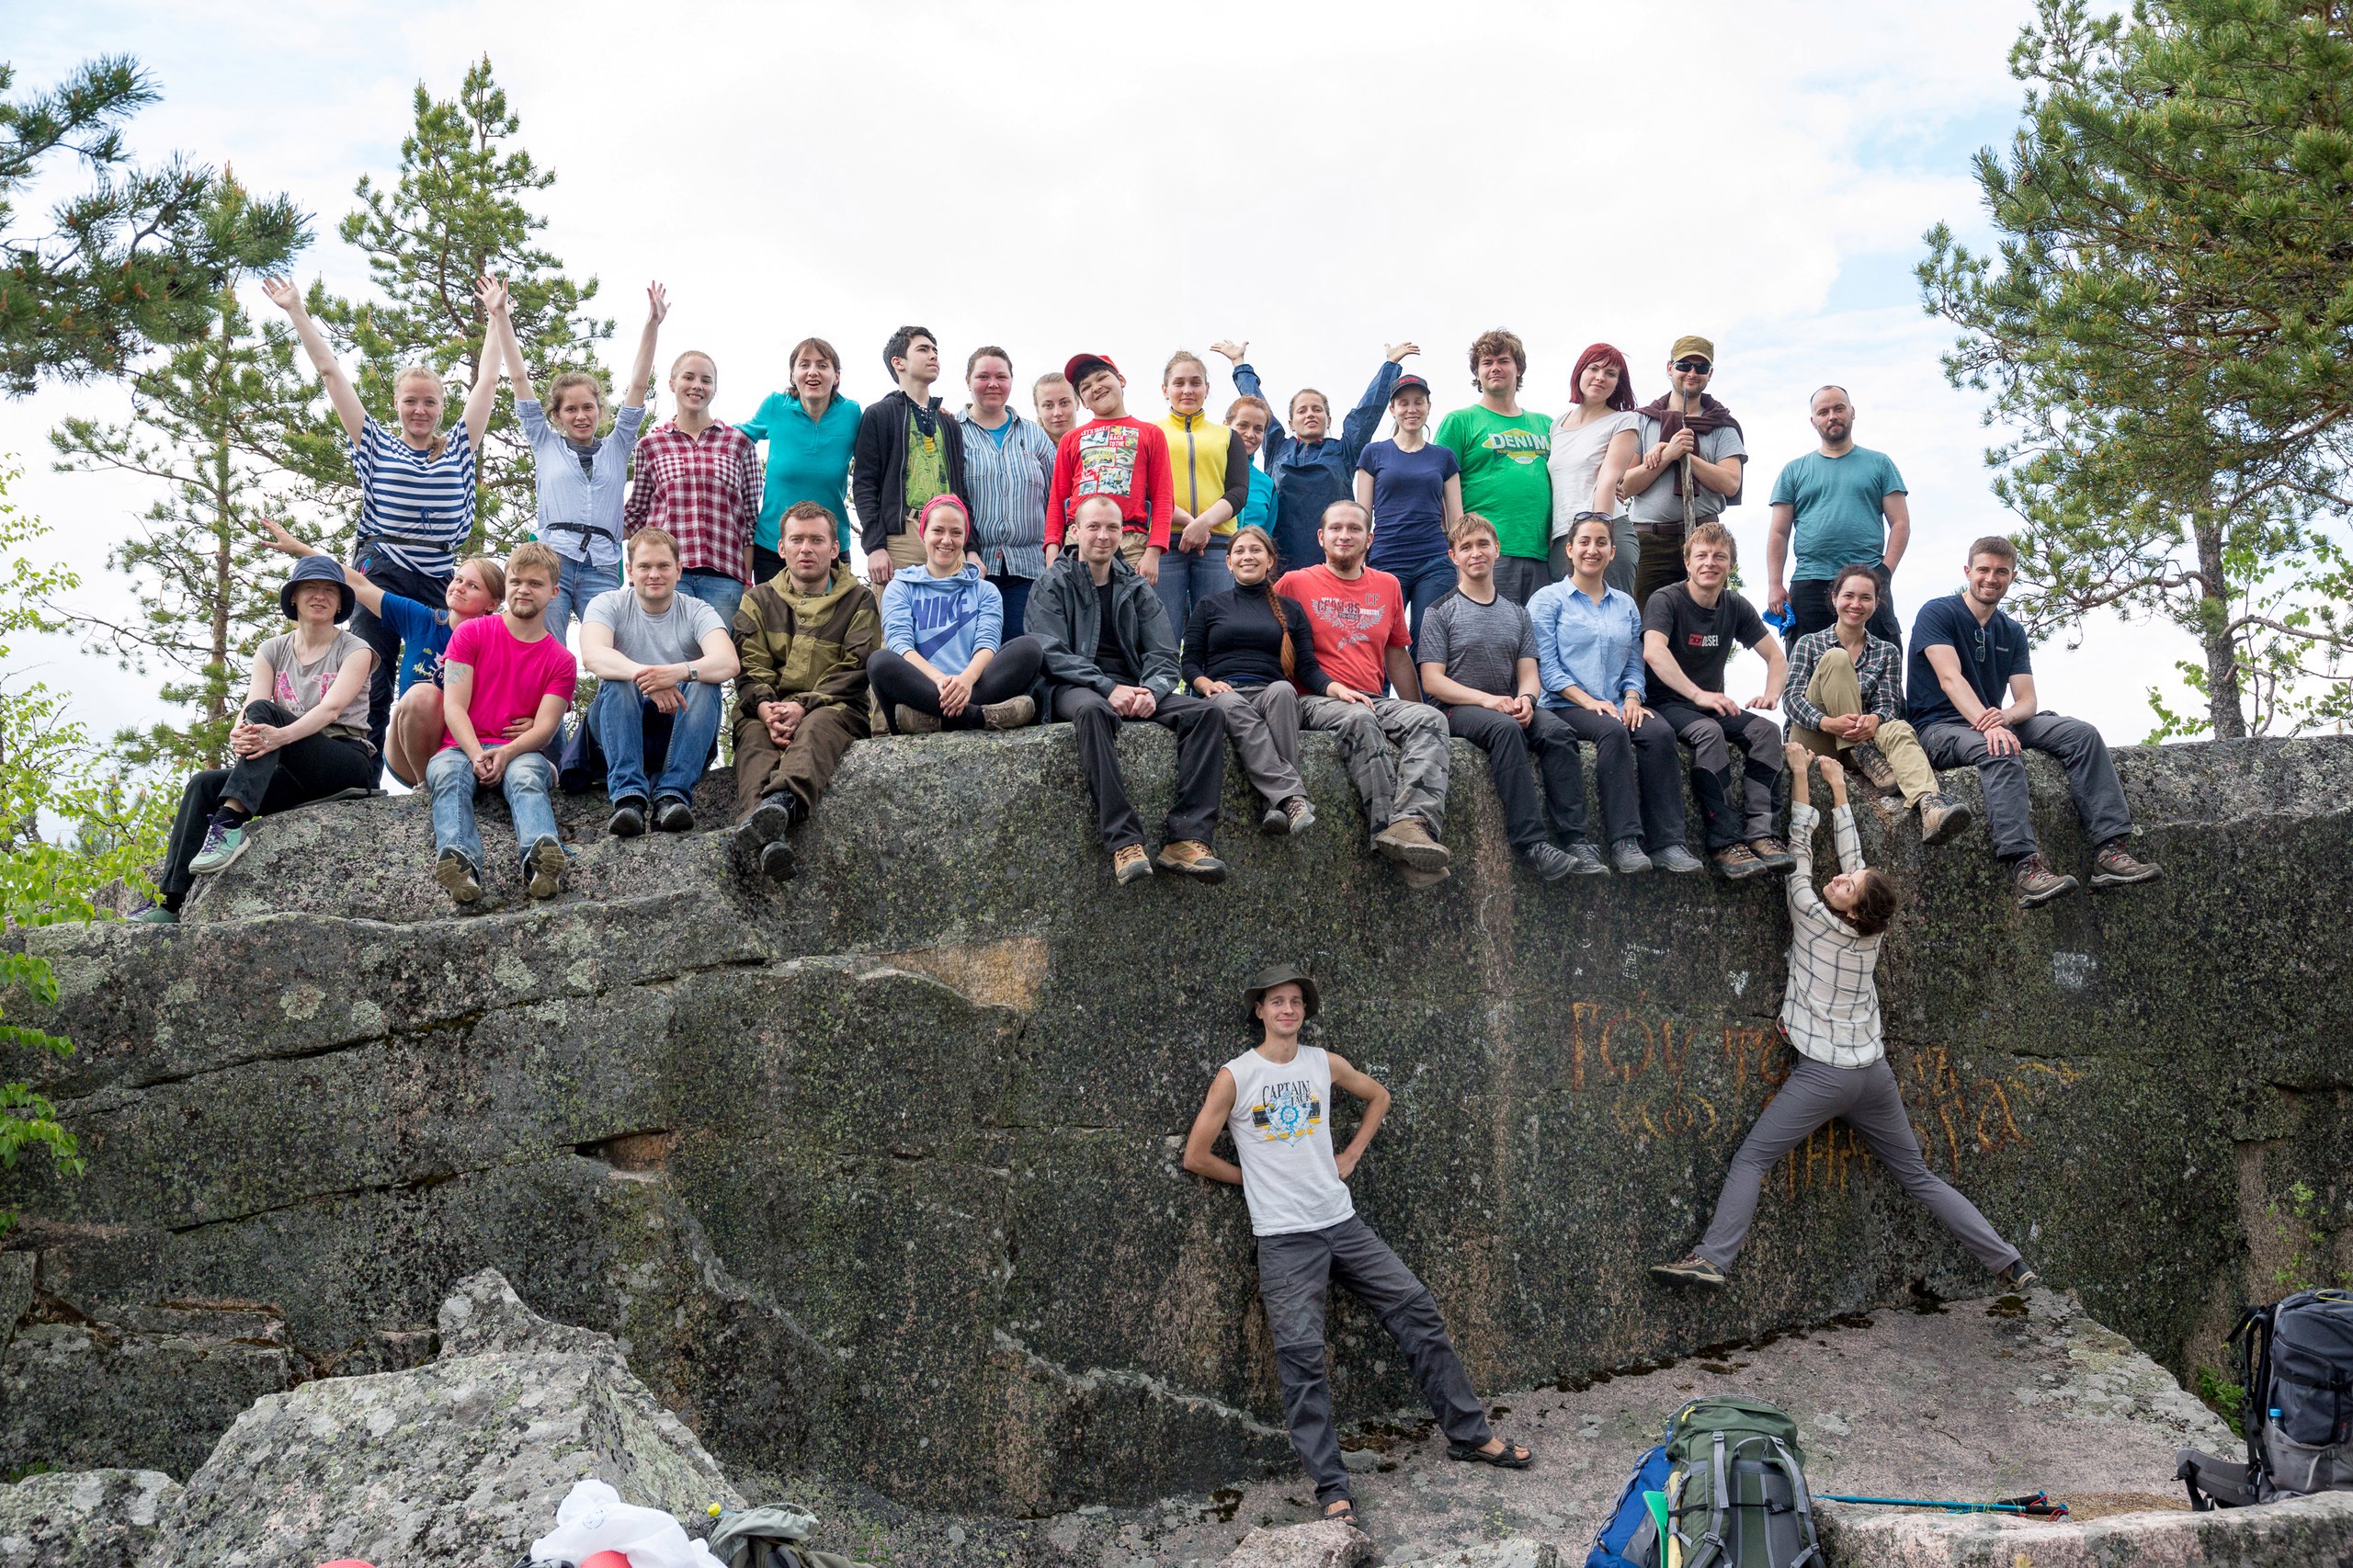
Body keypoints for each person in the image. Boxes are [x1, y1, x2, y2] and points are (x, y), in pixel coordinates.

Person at [1652, 747, 2040, 1295]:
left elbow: (1799, 852)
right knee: (1918, 1177)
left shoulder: (1810, 914)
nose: (1840, 881)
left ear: (1853, 909)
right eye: (1846, 880)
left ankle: (1713, 1258)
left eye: (1848, 887)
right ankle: (2009, 1261)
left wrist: (1803, 776)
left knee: (1752, 1158)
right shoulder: (1872, 932)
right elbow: (1851, 857)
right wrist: (1840, 788)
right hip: (1872, 1075)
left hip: (1824, 1076)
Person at [1181, 965, 1532, 1528]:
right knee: (1301, 1358)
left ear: (1304, 1011)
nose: (1287, 1010)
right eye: (1277, 1002)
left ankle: (1471, 1435)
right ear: (1260, 1011)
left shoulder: (1323, 1063)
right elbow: (1196, 1155)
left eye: (1296, 1002)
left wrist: (1350, 1156)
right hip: (1284, 1239)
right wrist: (1257, 1180)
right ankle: (1332, 1487)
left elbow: (1379, 1096)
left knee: (1415, 1308)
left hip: (1341, 1224)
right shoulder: (1237, 1076)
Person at [261, 271, 502, 773]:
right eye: (410, 401)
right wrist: (297, 312)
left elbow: (487, 381)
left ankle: (441, 767)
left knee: (442, 675)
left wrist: (496, 317)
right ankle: (363, 776)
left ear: (441, 408)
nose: (420, 410)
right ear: (396, 405)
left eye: (429, 401)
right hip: (379, 568)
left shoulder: (459, 447)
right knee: (370, 666)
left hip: (439, 577)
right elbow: (332, 375)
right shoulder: (375, 444)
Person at [1906, 537, 2164, 906]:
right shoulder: (1938, 613)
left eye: (2001, 572)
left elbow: (2027, 700)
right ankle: (2025, 867)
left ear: (2012, 577)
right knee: (1999, 749)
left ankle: (2111, 852)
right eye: (1983, 570)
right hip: (1940, 727)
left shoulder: (2011, 631)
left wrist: (2005, 716)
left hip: (1991, 720)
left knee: (2082, 735)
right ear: (1968, 572)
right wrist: (1989, 725)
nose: (1990, 578)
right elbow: (1950, 680)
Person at [139, 557, 379, 924]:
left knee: (267, 713)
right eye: (310, 588)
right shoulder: (272, 649)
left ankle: (229, 823)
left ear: (341, 602)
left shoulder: (356, 649)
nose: (320, 596)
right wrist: (241, 730)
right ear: (294, 599)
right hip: (290, 771)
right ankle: (170, 903)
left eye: (330, 590)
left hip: (344, 764)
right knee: (202, 784)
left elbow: (331, 709)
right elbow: (253, 704)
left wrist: (278, 735)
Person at [1029, 495, 1229, 884]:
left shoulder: (1136, 586)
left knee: (1208, 713)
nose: (1103, 536)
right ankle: (1124, 841)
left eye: (1112, 528)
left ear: (1123, 533)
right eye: (1093, 527)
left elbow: (1164, 652)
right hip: (1075, 686)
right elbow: (1048, 651)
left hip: (1135, 685)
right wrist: (1107, 688)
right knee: (1093, 712)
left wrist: (1152, 691)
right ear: (1075, 532)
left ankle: (1186, 839)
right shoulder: (1051, 583)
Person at [253, 517, 506, 787]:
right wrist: (301, 549)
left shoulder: (500, 639)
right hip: (415, 750)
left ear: (492, 603)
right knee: (423, 696)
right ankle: (428, 792)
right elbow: (360, 585)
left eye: (473, 586)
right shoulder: (422, 620)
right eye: (458, 579)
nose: (459, 588)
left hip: (473, 748)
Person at [1415, 515, 1601, 881]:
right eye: (1466, 548)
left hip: (1510, 703)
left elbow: (1529, 672)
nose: (1476, 553)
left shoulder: (1517, 612)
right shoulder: (1439, 611)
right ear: (1453, 556)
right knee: (1505, 731)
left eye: (1483, 544)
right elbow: (1432, 681)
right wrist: (1487, 700)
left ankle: (1576, 838)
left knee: (1557, 732)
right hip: (1457, 710)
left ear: (1497, 549)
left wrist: (1528, 699)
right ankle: (1531, 843)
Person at [1279, 500, 1453, 886]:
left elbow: (1396, 654)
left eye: (1355, 529)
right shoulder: (1294, 582)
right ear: (1321, 538)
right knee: (1358, 718)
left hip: (1371, 696)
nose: (1345, 535)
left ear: (1369, 539)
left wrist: (1413, 708)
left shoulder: (1388, 585)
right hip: (1314, 698)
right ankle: (1384, 833)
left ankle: (1410, 826)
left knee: (1431, 719)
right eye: (1336, 528)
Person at [1527, 515, 1703, 874]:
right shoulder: (1547, 600)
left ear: (1612, 552)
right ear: (1570, 549)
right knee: (1611, 731)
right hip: (1564, 703)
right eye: (1585, 542)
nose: (1593, 550)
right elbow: (1545, 667)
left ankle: (1669, 843)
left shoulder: (1625, 604)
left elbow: (1634, 662)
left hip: (1616, 702)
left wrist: (1634, 697)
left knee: (1660, 732)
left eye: (1601, 543)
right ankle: (1624, 841)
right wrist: (1589, 702)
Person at [494, 280, 665, 644]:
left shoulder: (618, 446)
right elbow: (519, 378)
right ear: (557, 415)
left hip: (602, 562)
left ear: (600, 410)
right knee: (545, 645)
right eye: (570, 409)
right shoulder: (544, 443)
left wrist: (652, 325)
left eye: (588, 407)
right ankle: (548, 703)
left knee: (609, 645)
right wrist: (501, 317)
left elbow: (637, 386)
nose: (581, 415)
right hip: (552, 559)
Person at [730, 502, 882, 882]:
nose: (806, 549)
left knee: (815, 729)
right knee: (753, 739)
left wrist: (801, 706)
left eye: (817, 540)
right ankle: (765, 834)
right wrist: (766, 708)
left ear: (834, 549)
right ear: (781, 548)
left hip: (834, 709)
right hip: (766, 710)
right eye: (796, 540)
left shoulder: (859, 600)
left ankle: (781, 803)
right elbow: (749, 666)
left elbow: (856, 666)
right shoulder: (758, 600)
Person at [425, 542, 579, 906]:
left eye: (535, 584)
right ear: (507, 586)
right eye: (516, 582)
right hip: (461, 747)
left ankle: (542, 860)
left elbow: (545, 728)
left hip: (521, 752)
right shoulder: (471, 634)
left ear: (554, 592)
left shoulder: (562, 661)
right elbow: (455, 706)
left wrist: (507, 753)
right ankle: (459, 864)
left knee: (527, 778)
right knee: (448, 776)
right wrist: (477, 754)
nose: (524, 590)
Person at [1640, 522, 1794, 881]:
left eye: (1720, 557)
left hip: (1708, 703)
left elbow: (1777, 657)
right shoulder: (1667, 599)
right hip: (1666, 702)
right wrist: (1698, 694)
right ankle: (1725, 841)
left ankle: (1762, 833)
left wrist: (1772, 694)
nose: (1710, 563)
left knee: (1766, 732)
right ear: (1688, 562)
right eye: (1702, 556)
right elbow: (1653, 652)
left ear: (1731, 566)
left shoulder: (1735, 606)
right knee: (1709, 734)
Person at [1785, 563, 1971, 846]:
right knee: (1836, 658)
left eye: (1865, 598)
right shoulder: (1809, 644)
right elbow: (1792, 699)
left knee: (1897, 727)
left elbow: (1888, 705)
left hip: (1867, 745)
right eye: (1849, 596)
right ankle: (1860, 752)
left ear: (1876, 603)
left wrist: (1876, 719)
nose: (1856, 604)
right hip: (1817, 738)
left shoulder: (1887, 652)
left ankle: (1930, 805)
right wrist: (1827, 722)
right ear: (1834, 598)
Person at [579, 527, 741, 837]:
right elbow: (593, 655)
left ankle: (672, 796)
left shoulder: (697, 610)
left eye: (663, 566)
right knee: (617, 681)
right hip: (618, 728)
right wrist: (650, 677)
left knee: (704, 683)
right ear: (629, 570)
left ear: (678, 570)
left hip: (678, 732)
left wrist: (679, 672)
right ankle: (629, 800)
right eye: (645, 566)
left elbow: (727, 662)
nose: (654, 574)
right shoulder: (608, 603)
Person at [1214, 338, 1408, 574]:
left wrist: (1390, 365)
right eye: (1302, 410)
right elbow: (1258, 405)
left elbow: (1367, 412)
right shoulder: (1278, 447)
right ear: (1290, 423)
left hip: (1332, 555)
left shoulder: (1344, 451)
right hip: (1283, 558)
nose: (1310, 415)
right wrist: (1239, 364)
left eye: (1317, 409)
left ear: (1329, 420)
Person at [1183, 525, 1322, 837]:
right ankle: (1290, 799)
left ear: (1270, 561)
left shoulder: (1291, 609)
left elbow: (1308, 668)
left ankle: (1274, 805)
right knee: (1231, 703)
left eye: (1256, 550)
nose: (1248, 556)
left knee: (1285, 691)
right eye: (1240, 551)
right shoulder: (1209, 605)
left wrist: (1336, 689)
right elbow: (1189, 662)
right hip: (1224, 689)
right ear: (1228, 562)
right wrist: (1205, 684)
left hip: (1268, 692)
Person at [867, 495, 1042, 733]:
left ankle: (936, 720)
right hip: (923, 688)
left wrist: (966, 681)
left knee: (1029, 649)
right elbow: (900, 644)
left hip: (974, 686)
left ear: (964, 538)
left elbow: (987, 643)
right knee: (880, 662)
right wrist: (940, 681)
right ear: (923, 534)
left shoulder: (985, 590)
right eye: (938, 530)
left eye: (956, 533)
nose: (947, 540)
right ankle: (979, 717)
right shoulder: (901, 585)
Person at [622, 347, 760, 626]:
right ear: (673, 384)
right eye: (689, 377)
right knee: (666, 661)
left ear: (714, 389)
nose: (697, 386)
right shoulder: (651, 446)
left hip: (725, 578)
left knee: (716, 665)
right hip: (667, 577)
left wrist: (747, 579)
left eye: (706, 380)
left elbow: (749, 522)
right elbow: (636, 515)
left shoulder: (739, 444)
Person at [1768, 385, 1908, 644]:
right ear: (1813, 421)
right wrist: (1775, 584)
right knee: (1807, 672)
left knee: (1879, 661)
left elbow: (1900, 523)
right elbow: (1778, 533)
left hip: (1868, 579)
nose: (1832, 416)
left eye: (1838, 408)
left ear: (1852, 412)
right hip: (1810, 582)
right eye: (1823, 412)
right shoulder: (1793, 471)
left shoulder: (1880, 464)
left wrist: (1885, 572)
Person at [1618, 335, 1746, 611]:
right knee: (1646, 625)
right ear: (1669, 368)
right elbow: (1625, 486)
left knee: (1702, 624)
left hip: (1706, 539)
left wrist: (1686, 456)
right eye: (1684, 365)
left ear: (1710, 374)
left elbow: (1730, 482)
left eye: (1701, 368)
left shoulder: (1723, 425)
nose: (1692, 373)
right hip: (1650, 540)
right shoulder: (1641, 420)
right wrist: (1666, 455)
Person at [1436, 329, 1552, 605]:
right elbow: (1435, 485)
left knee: (1534, 643)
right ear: (1476, 373)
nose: (1495, 368)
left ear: (1519, 369)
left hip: (1540, 553)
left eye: (1503, 360)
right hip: (1485, 554)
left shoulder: (1546, 424)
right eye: (1486, 363)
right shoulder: (1460, 421)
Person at [852, 325, 970, 587]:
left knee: (955, 623)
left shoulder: (949, 424)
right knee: (897, 623)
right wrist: (875, 546)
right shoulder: (879, 415)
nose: (933, 356)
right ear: (898, 362)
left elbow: (961, 487)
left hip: (949, 535)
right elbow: (864, 484)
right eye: (923, 349)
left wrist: (971, 548)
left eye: (935, 351)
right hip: (901, 535)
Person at [735, 335, 862, 574]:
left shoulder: (851, 413)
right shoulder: (775, 406)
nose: (813, 372)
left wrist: (930, 411)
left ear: (837, 376)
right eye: (804, 365)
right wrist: (688, 426)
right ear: (793, 376)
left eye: (822, 365)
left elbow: (879, 449)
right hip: (774, 546)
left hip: (830, 547)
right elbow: (736, 436)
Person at [1043, 354, 1174, 582]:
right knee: (1077, 612)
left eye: (1102, 378)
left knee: (1128, 613)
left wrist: (1154, 551)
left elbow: (1163, 498)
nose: (1096, 387)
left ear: (1121, 380)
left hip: (1131, 542)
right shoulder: (1071, 439)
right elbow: (1057, 499)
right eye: (1085, 387)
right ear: (1082, 402)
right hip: (1079, 541)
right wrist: (1052, 549)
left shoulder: (1151, 434)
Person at [1354, 372, 1462, 640]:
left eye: (1418, 402)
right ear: (1392, 409)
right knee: (1380, 638)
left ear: (1428, 406)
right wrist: (1358, 562)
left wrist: (1461, 565)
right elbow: (1362, 516)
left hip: (1434, 562)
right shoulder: (1373, 453)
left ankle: (1426, 685)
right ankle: (1373, 686)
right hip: (1386, 561)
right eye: (1403, 403)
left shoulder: (1444, 457)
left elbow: (1457, 520)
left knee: (1428, 639)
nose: (1411, 409)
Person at [958, 347, 1056, 633]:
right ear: (968, 381)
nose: (993, 384)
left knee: (1021, 656)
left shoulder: (1034, 435)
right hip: (972, 569)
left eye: (1001, 376)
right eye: (983, 376)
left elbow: (1056, 499)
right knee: (974, 655)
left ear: (1011, 381)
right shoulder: (952, 430)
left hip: (1028, 570)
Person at [1156, 350, 1251, 635]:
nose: (1187, 390)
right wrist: (1189, 523)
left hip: (1217, 545)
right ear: (1165, 390)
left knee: (1216, 632)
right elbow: (1147, 491)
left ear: (1207, 389)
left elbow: (1238, 491)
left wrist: (1203, 523)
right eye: (1179, 383)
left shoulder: (1228, 436)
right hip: (1165, 544)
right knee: (1163, 633)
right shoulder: (1151, 433)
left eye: (1196, 383)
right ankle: (1162, 682)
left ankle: (1212, 682)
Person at [1545, 343, 1643, 596]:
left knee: (1610, 620)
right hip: (1562, 539)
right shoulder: (1557, 425)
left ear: (1618, 383)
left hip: (1605, 532)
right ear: (1580, 372)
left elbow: (1608, 481)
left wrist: (1597, 541)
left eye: (1611, 374)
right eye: (1594, 368)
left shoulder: (1623, 421)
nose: (1600, 377)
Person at [1227, 395, 1279, 538]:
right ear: (1226, 425)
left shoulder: (1267, 485)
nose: (1250, 434)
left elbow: (1267, 537)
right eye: (1243, 425)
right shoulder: (1208, 469)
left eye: (1258, 429)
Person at [1032, 371, 1081, 449]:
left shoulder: (1094, 446)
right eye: (1049, 406)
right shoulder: (1029, 453)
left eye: (1064, 403)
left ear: (1078, 403)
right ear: (1037, 410)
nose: (1057, 413)